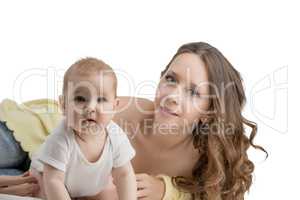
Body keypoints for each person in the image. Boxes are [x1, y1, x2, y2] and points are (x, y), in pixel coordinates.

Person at [0, 42, 266, 200]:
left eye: (193, 92)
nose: (172, 96)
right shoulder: (127, 115)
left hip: (45, 180)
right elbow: (67, 122)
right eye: (171, 79)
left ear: (209, 111)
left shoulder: (203, 156)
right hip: (34, 131)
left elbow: (211, 195)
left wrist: (166, 189)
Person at [30, 58, 137, 200]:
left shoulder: (115, 136)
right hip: (44, 180)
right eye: (80, 99)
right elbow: (53, 180)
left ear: (115, 106)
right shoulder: (61, 138)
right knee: (38, 191)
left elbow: (124, 174)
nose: (91, 107)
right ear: (63, 105)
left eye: (101, 100)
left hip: (83, 188)